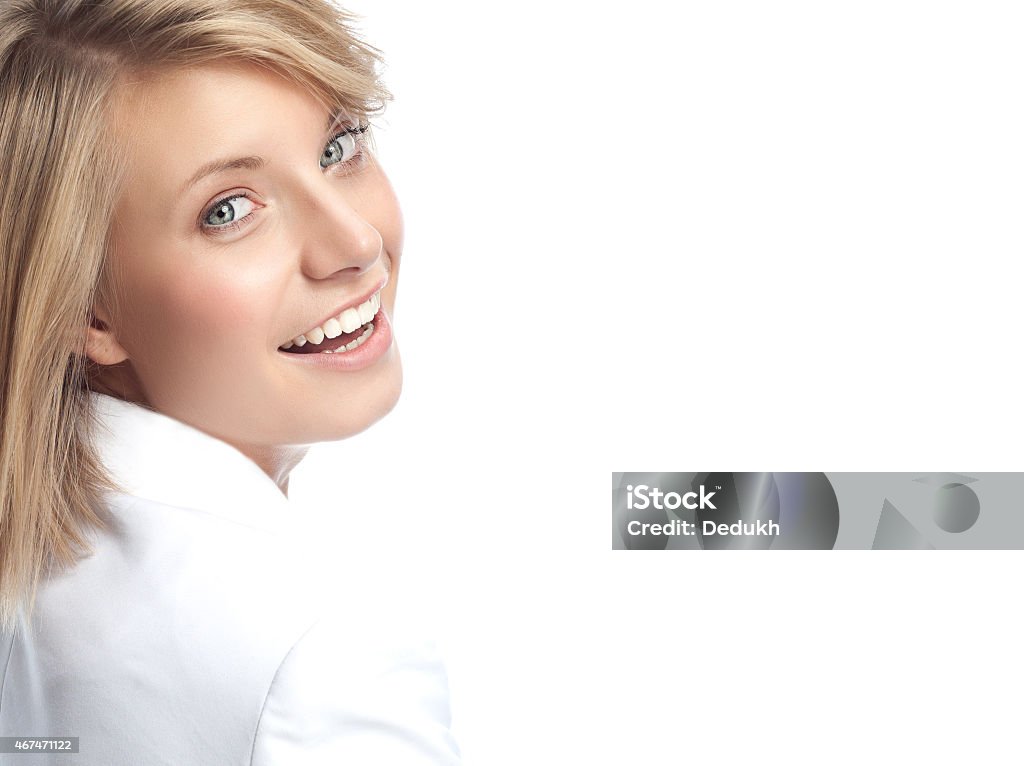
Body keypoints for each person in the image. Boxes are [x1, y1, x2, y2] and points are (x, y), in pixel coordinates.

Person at [0, 1, 461, 762]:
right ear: (88, 308)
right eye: (228, 210)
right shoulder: (325, 651)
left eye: (339, 146)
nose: (355, 241)